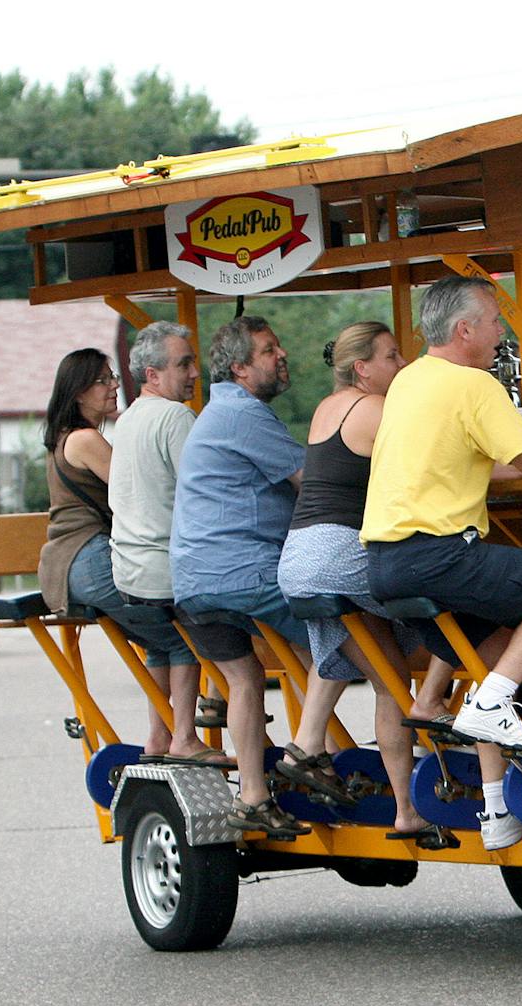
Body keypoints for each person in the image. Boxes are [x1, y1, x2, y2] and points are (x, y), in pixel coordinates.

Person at [362, 275, 522, 851]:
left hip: (386, 566)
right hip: (436, 554)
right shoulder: (474, 383)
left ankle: (495, 810)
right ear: (464, 330)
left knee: (497, 668)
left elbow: (483, 465)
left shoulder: (412, 379)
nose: (500, 335)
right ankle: (489, 708)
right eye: (495, 323)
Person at [277, 321, 458, 846]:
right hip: (338, 551)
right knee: (459, 590)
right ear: (363, 368)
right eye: (391, 356)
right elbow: (426, 467)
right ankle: (432, 699)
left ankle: (405, 810)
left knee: (386, 677)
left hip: (299, 553)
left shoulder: (327, 408)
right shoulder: (376, 410)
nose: (401, 365)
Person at [170, 317, 329, 838]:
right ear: (239, 368)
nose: (280, 355)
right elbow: (312, 482)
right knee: (341, 641)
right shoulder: (243, 414)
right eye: (268, 350)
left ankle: (256, 795)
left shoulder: (219, 411)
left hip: (194, 579)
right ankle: (312, 756)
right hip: (245, 572)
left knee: (244, 679)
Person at [36, 348, 203, 762]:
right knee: (184, 637)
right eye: (102, 381)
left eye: (113, 377)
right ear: (77, 393)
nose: (114, 386)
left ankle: (159, 739)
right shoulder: (87, 439)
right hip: (90, 558)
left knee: (158, 636)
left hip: (70, 563)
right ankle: (184, 738)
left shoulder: (64, 439)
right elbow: (132, 491)